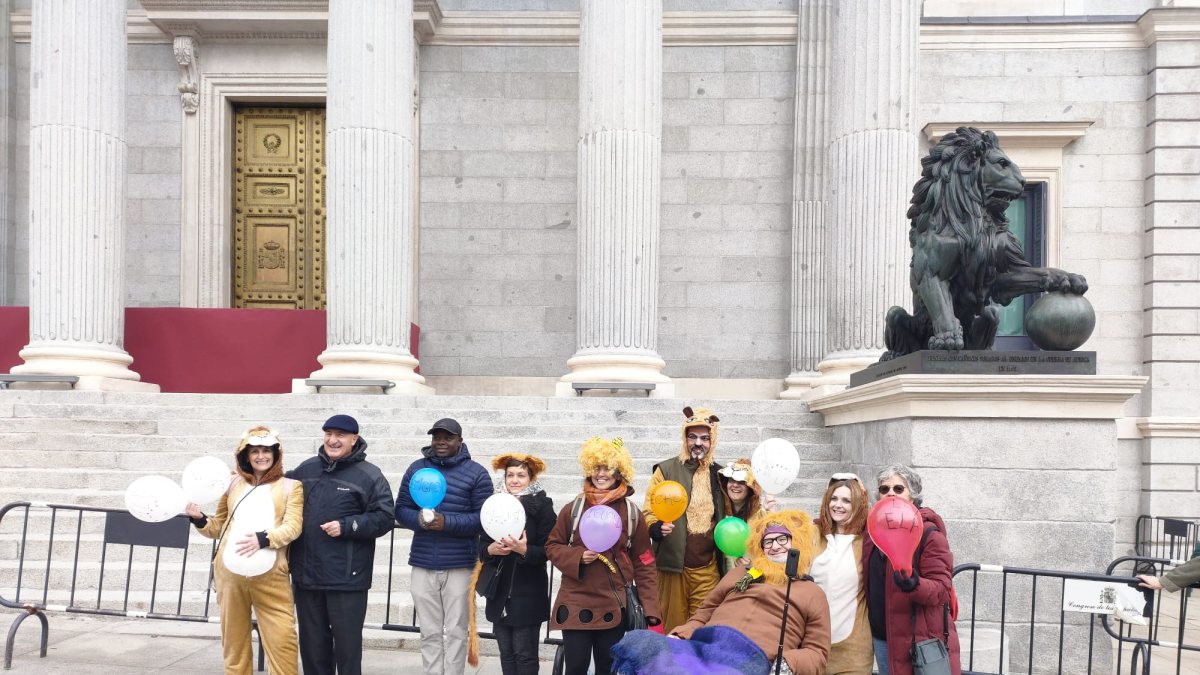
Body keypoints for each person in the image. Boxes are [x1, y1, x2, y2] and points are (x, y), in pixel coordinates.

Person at [187, 426, 303, 675]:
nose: (261, 456)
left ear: (276, 453)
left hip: (272, 577)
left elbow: (293, 527)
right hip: (230, 576)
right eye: (255, 452)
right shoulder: (231, 484)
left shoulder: (291, 487)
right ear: (245, 456)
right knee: (234, 644)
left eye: (266, 451)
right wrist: (199, 519)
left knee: (283, 641)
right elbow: (218, 527)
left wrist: (264, 539)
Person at [287, 415, 396, 675]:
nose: (332, 440)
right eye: (328, 434)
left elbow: (384, 517)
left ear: (354, 439)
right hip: (307, 578)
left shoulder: (370, 475)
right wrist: (247, 476)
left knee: (348, 653)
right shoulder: (306, 469)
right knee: (313, 650)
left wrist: (347, 526)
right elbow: (275, 489)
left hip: (347, 580)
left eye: (340, 435)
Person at [546, 436, 661, 675]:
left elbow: (645, 562)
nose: (601, 474)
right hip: (576, 599)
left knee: (607, 668)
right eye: (596, 467)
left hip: (614, 603)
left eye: (607, 468)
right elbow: (553, 545)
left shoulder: (631, 513)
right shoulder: (574, 508)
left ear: (619, 472)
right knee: (575, 667)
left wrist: (651, 610)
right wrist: (578, 557)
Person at [668, 509, 832, 675]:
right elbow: (703, 614)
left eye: (782, 539)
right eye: (768, 542)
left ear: (796, 543)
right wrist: (681, 635)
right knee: (644, 643)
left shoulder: (813, 592)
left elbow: (817, 653)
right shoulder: (739, 574)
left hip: (755, 661)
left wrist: (788, 663)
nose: (775, 546)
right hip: (707, 648)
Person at [395, 418, 492, 675]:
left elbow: (484, 519)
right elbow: (401, 508)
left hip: (460, 564)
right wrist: (418, 519)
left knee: (457, 631)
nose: (441, 441)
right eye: (436, 436)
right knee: (428, 630)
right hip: (423, 561)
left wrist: (446, 523)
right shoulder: (417, 469)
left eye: (447, 437)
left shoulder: (477, 473)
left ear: (460, 440)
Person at [863, 465, 961, 675]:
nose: (890, 493)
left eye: (899, 489)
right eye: (884, 489)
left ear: (913, 495)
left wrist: (914, 584)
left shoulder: (929, 534)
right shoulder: (872, 531)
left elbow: (942, 588)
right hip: (883, 637)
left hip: (920, 640)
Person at [466, 453, 557, 674]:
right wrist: (489, 550)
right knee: (506, 654)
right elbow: (481, 544)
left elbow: (550, 549)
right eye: (510, 475)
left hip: (527, 592)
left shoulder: (542, 506)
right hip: (499, 591)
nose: (514, 480)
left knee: (524, 655)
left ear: (531, 479)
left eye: (521, 475)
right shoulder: (494, 503)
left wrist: (525, 550)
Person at [643, 407, 727, 634]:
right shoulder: (666, 470)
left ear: (712, 441)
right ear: (685, 439)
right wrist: (656, 528)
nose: (697, 443)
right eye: (692, 437)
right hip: (672, 567)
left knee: (702, 627)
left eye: (704, 438)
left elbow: (737, 509)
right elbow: (649, 509)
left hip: (708, 569)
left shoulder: (721, 475)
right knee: (673, 628)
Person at [810, 474, 873, 675]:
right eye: (834, 499)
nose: (838, 505)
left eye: (847, 500)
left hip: (852, 650)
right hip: (812, 643)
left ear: (858, 504)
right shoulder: (813, 534)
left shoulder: (867, 541)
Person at [717, 457, 778, 569]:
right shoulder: (720, 515)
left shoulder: (762, 517)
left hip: (752, 581)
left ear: (751, 488)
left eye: (741, 482)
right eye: (731, 480)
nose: (735, 485)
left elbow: (775, 555)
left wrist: (750, 565)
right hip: (724, 582)